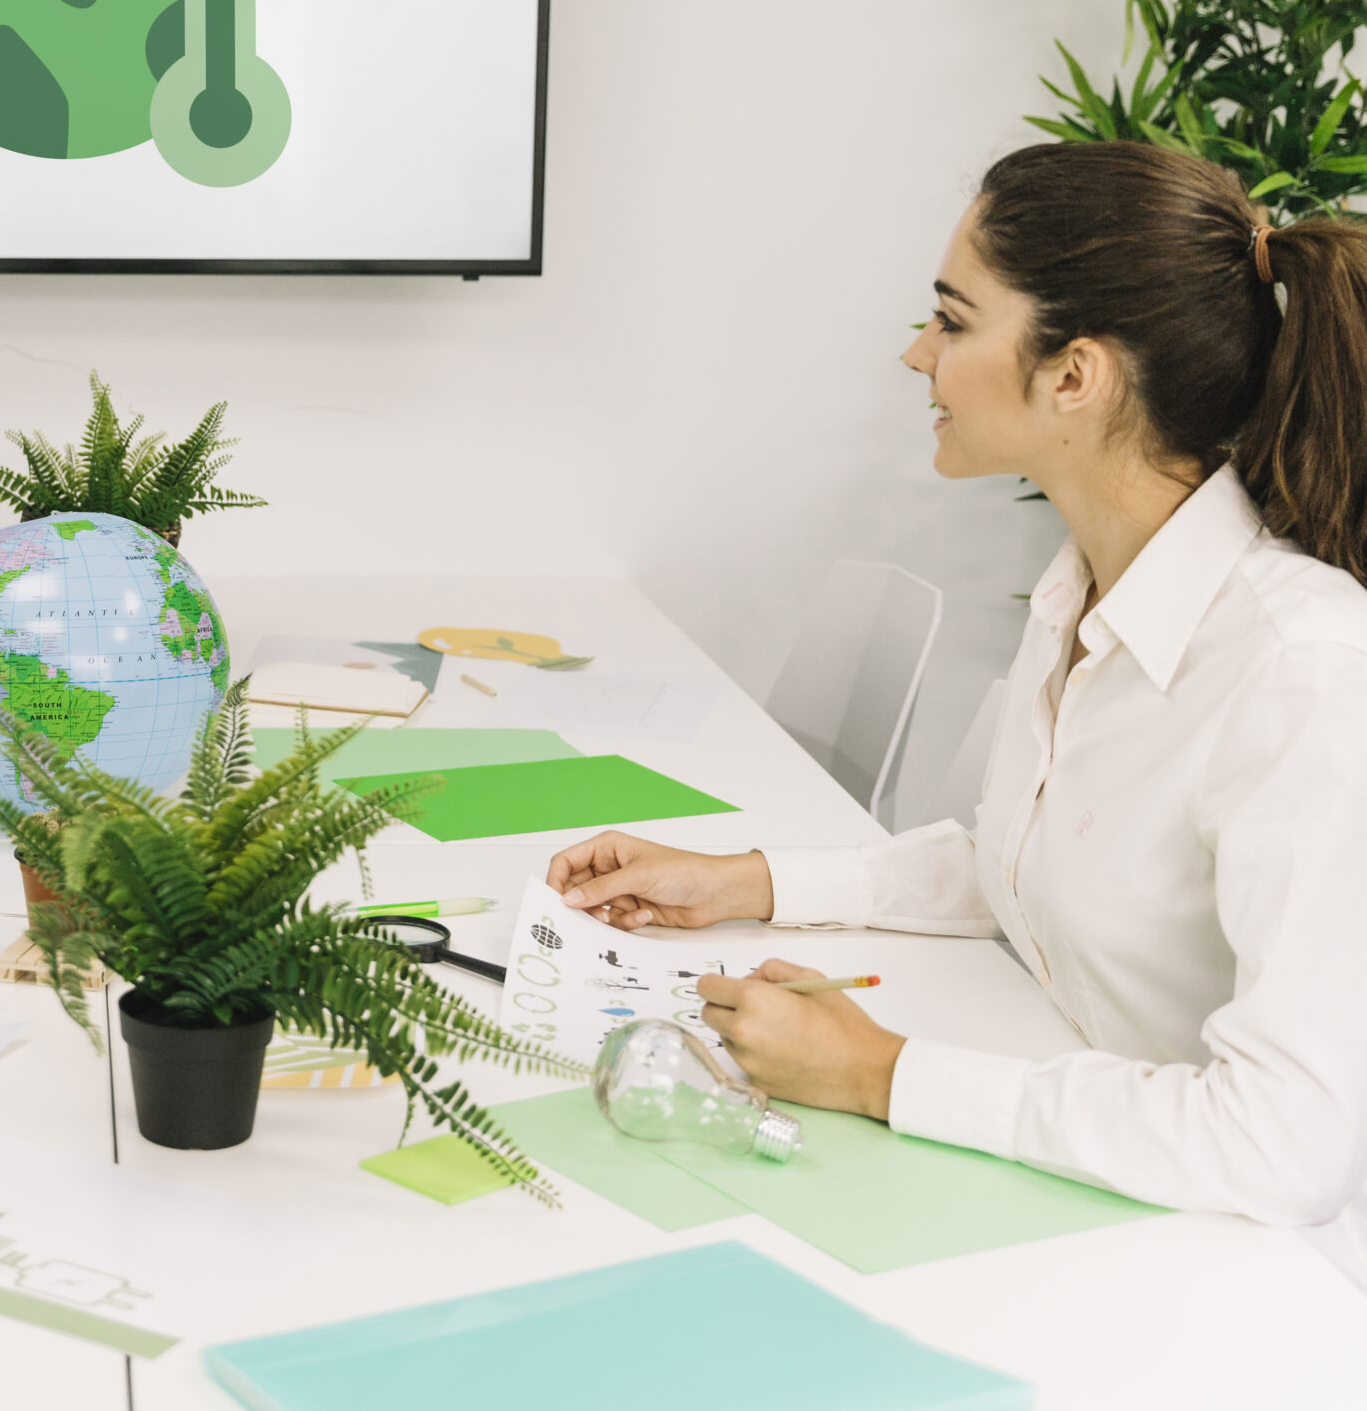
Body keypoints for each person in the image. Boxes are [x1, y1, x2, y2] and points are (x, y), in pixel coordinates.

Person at [551, 140, 1367, 1286]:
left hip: (1259, 1285)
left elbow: (1284, 1144)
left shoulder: (1302, 674)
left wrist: (881, 1073)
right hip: (1090, 1199)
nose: (916, 354)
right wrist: (744, 882)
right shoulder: (1086, 586)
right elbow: (1026, 858)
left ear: (1074, 374)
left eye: (952, 320)